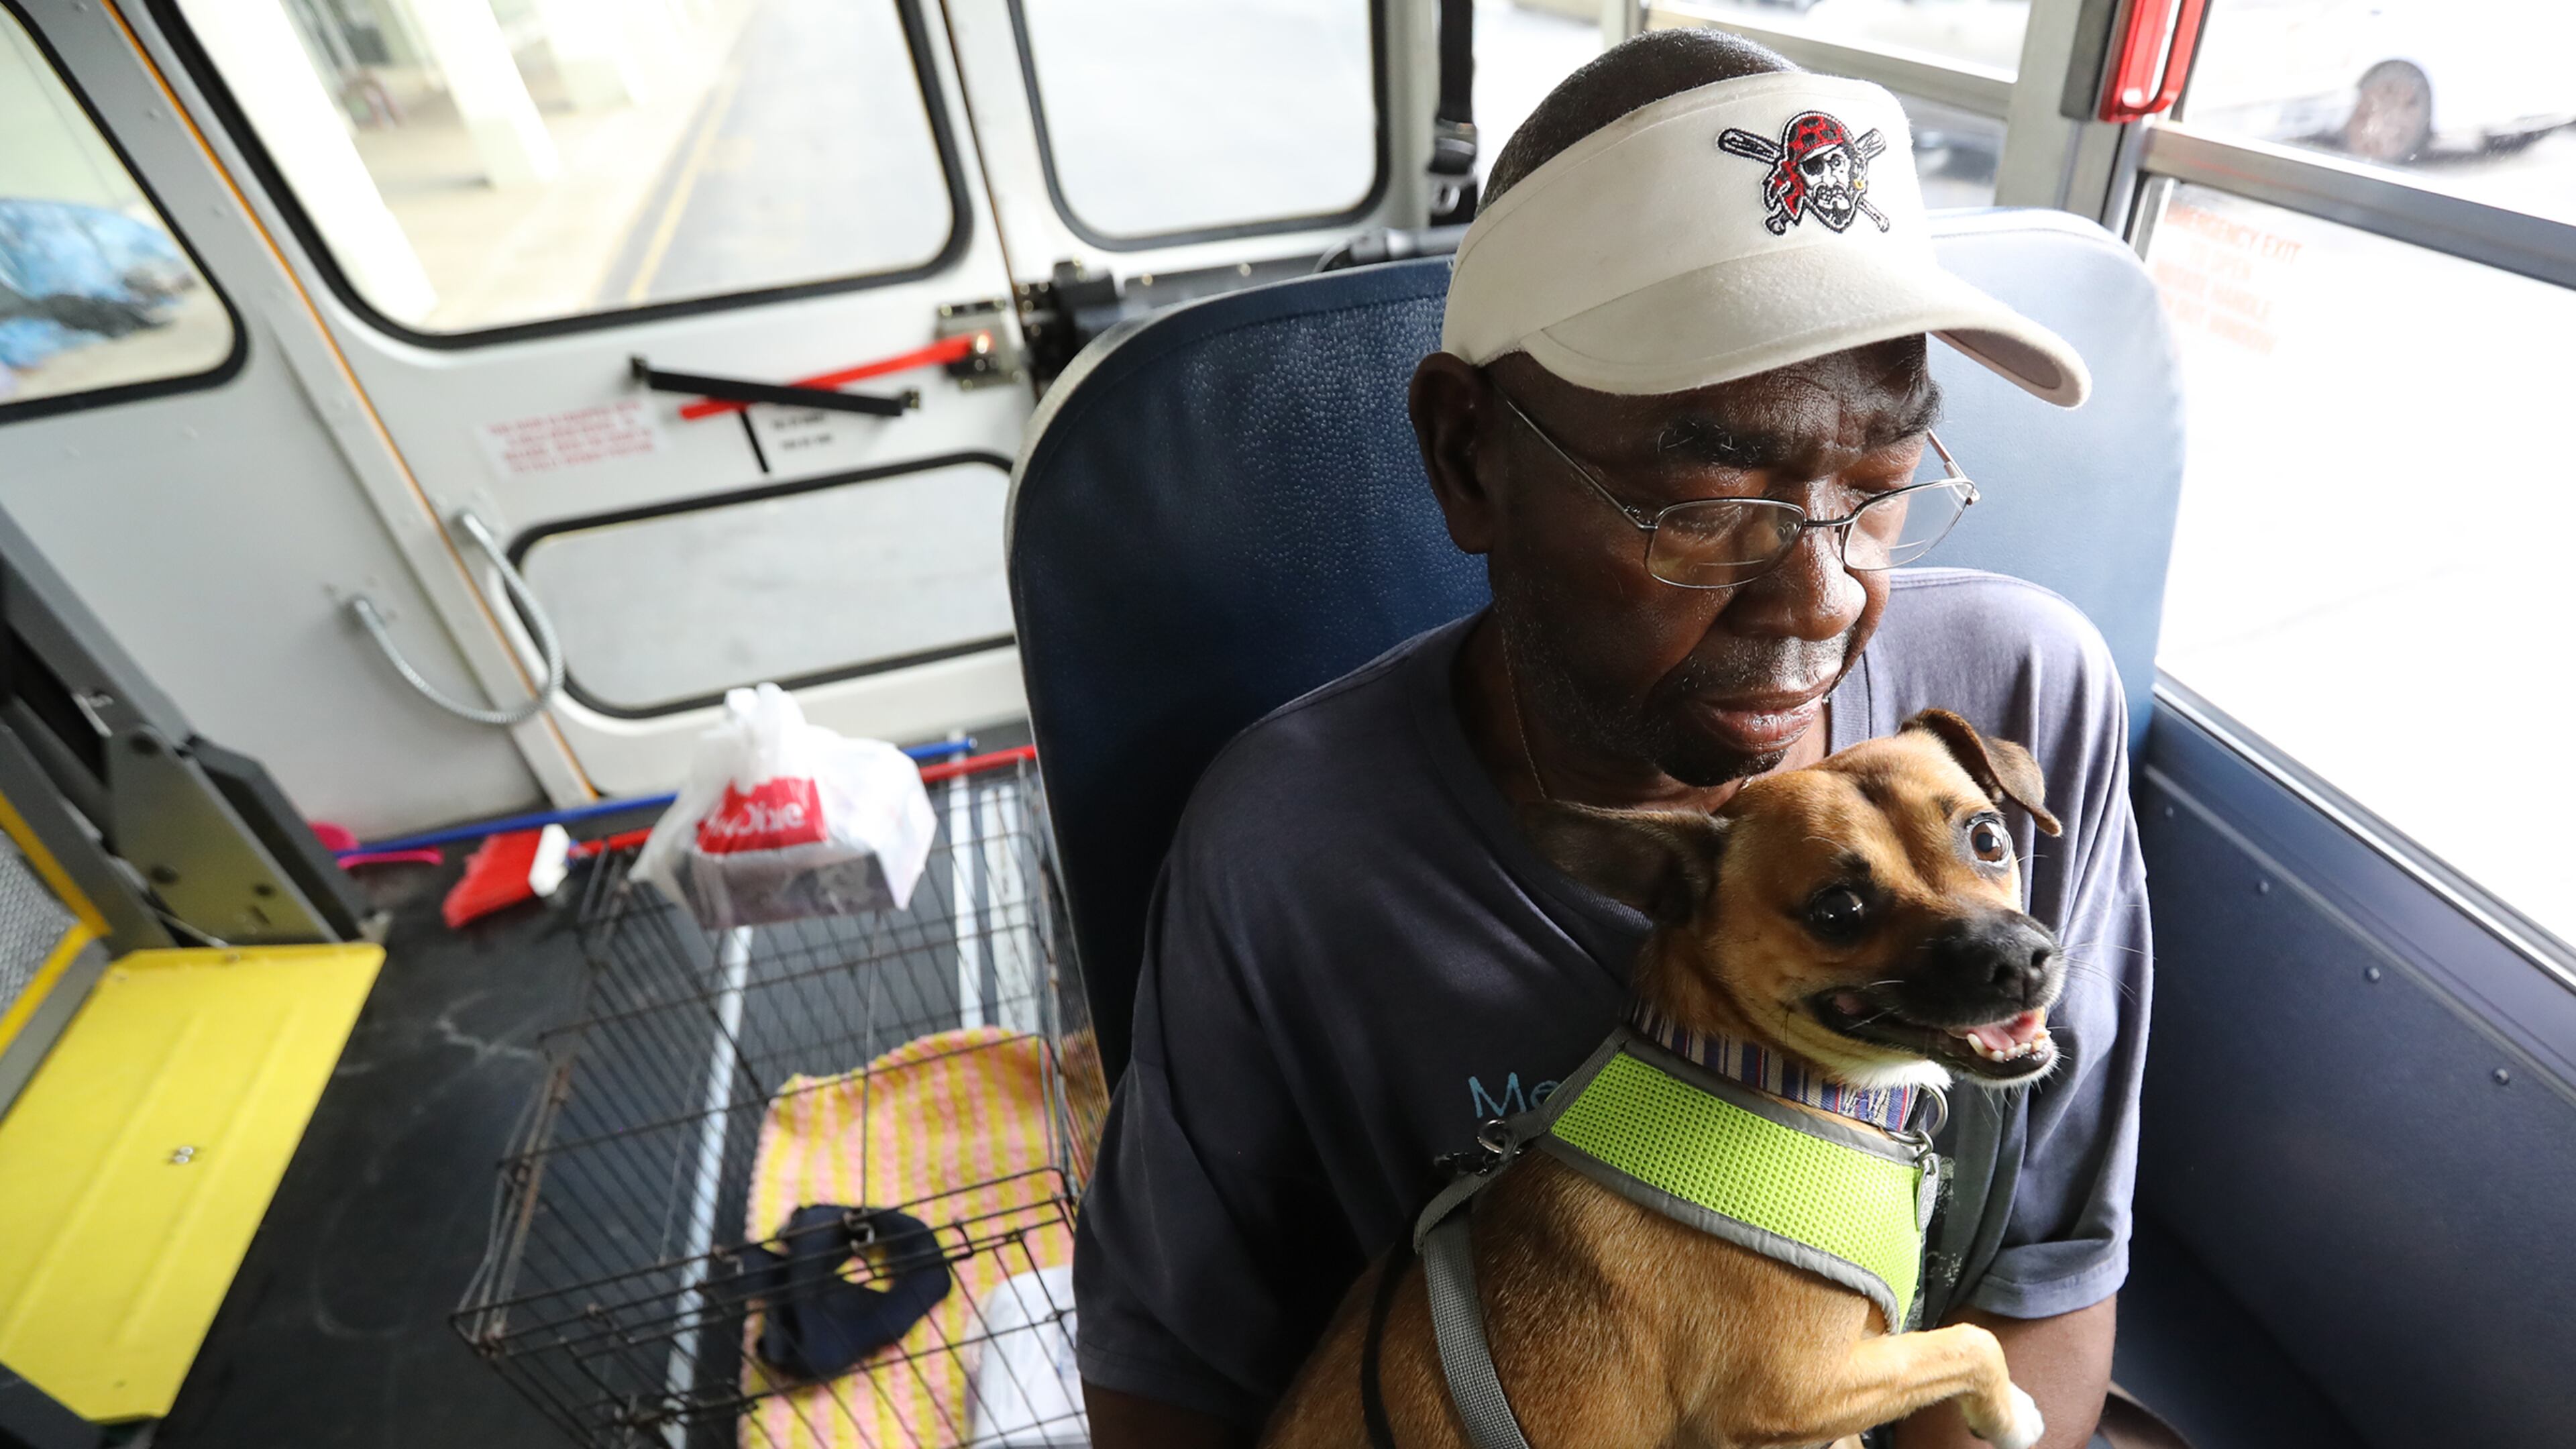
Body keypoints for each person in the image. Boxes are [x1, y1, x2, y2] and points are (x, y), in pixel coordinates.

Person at [1073, 30, 2148, 1449]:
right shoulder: (1290, 848)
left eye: (1882, 486)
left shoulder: (2022, 695)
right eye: (1701, 508)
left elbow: (2053, 1258)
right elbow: (1174, 1372)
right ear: (1471, 457)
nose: (1827, 597)